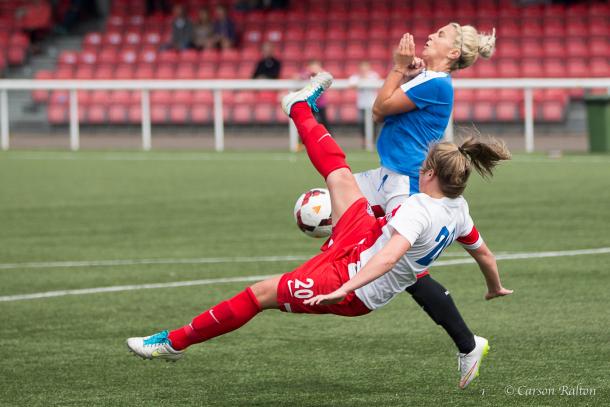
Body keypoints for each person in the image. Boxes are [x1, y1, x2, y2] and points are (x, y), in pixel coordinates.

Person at [127, 72, 513, 389]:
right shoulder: (458, 209)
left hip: (350, 283)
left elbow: (390, 256)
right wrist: (494, 286)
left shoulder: (416, 210)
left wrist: (346, 287)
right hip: (362, 238)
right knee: (340, 175)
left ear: (427, 173)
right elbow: (484, 253)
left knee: (260, 294)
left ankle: (172, 343)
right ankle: (299, 107)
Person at [354, 25, 497, 361]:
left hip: (404, 181)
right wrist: (406, 73)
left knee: (404, 268)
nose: (432, 34)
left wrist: (398, 68)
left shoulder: (436, 83)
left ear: (452, 53)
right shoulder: (429, 78)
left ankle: (468, 344)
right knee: (333, 200)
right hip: (389, 174)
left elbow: (378, 111)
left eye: (442, 34)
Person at [348, 61, 381, 147]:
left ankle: (372, 141)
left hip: (373, 104)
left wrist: (364, 80)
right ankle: (364, 141)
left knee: (374, 123)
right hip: (361, 104)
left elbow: (377, 83)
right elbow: (351, 85)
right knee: (362, 123)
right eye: (362, 68)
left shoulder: (374, 75)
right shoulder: (355, 77)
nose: (364, 70)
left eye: (365, 68)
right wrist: (362, 80)